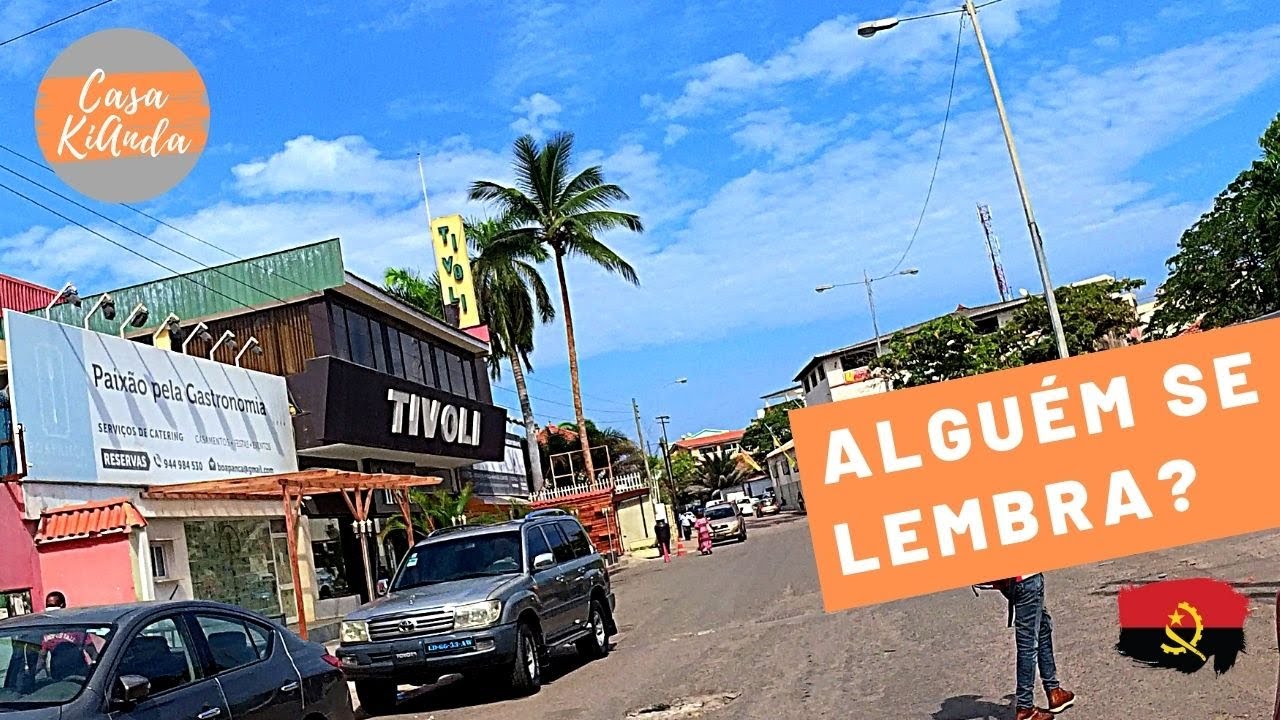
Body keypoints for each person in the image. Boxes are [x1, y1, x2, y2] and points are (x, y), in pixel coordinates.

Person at [987, 573, 1076, 720]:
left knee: (1043, 627)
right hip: (1026, 579)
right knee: (1028, 644)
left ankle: (1054, 690)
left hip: (1010, 583)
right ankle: (1025, 707)